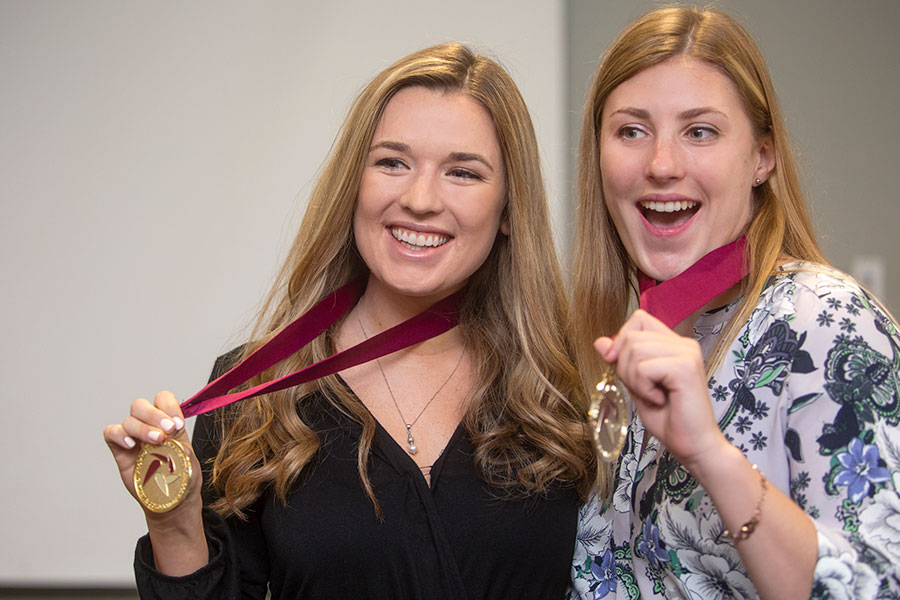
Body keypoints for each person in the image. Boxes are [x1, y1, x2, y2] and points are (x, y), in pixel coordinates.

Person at [104, 42, 601, 599]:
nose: (420, 199)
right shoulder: (257, 393)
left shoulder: (566, 392)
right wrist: (174, 521)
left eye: (462, 172)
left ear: (509, 208)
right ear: (353, 185)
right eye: (392, 162)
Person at [568, 7, 900, 600]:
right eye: (631, 131)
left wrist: (711, 456)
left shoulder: (825, 324)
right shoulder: (620, 342)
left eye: (700, 131)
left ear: (762, 157)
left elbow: (879, 587)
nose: (661, 165)